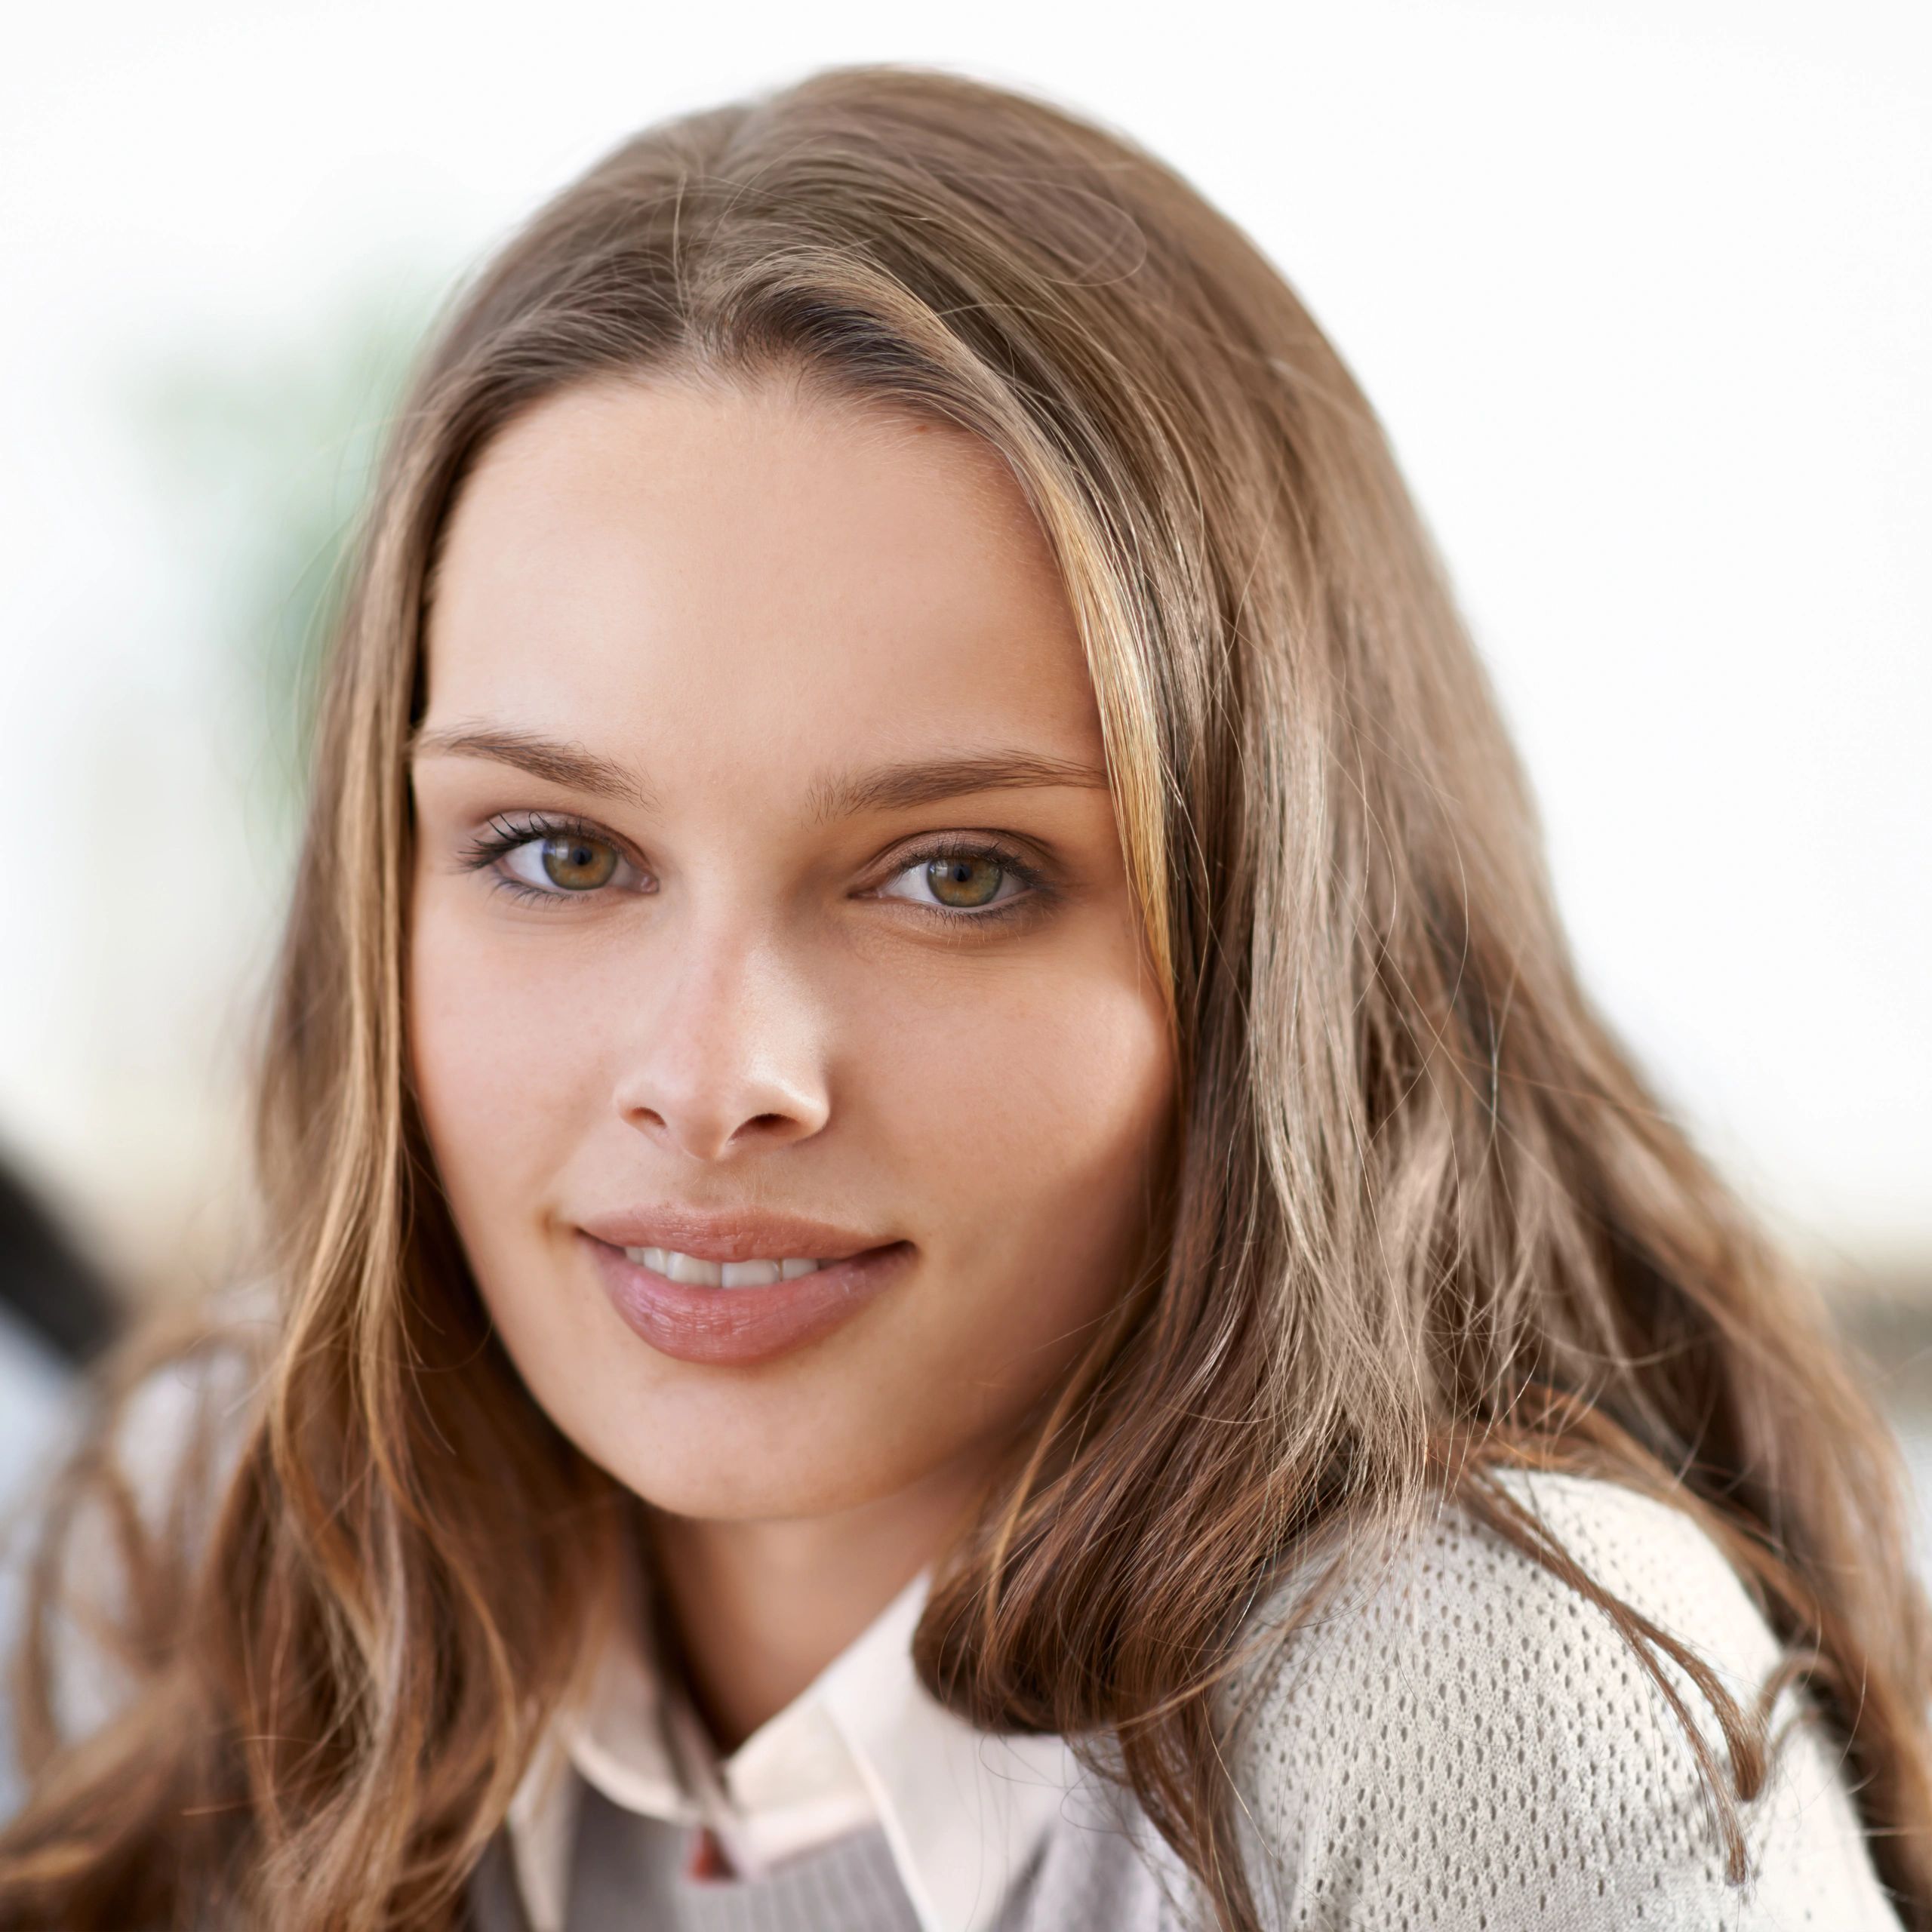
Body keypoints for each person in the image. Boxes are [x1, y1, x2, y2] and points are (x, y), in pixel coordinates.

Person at [0, 63, 1924, 1932]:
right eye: (560, 853)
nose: (711, 1077)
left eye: (955, 875)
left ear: (1277, 949)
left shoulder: (1483, 1699)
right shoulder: (213, 1549)